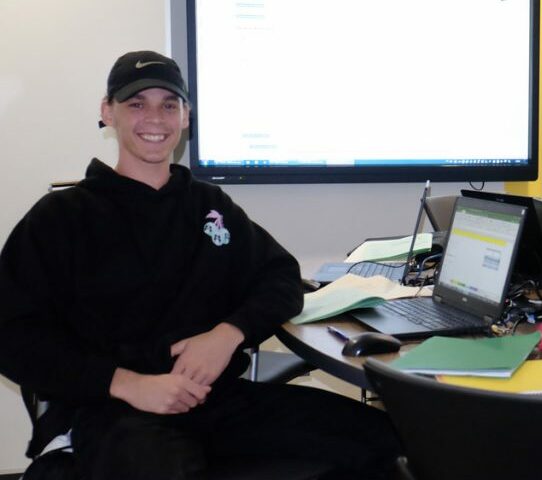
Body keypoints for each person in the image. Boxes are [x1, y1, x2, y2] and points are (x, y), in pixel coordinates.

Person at [0, 51, 400, 479]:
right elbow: (11, 333)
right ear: (108, 112)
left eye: (169, 105)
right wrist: (126, 383)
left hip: (219, 402)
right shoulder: (63, 216)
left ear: (186, 116)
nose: (155, 118)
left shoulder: (209, 207)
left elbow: (281, 277)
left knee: (390, 441)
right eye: (137, 104)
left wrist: (227, 335)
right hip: (116, 411)